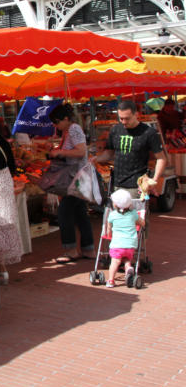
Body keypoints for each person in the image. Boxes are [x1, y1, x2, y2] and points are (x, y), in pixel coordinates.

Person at [48, 103, 95, 263]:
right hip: (77, 178)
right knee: (80, 213)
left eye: (56, 122)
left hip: (75, 178)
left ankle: (71, 250)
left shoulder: (74, 129)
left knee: (64, 213)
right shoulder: (68, 131)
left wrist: (60, 151)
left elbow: (81, 151)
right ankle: (88, 249)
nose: (55, 125)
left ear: (66, 119)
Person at [92, 100, 167, 198]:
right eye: (121, 119)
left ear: (136, 114)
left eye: (127, 119)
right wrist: (95, 159)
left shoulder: (149, 133)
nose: (123, 122)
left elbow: (161, 158)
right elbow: (109, 153)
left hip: (137, 186)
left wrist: (154, 180)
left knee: (133, 213)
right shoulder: (115, 130)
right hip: (116, 184)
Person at [0, 115, 23, 282]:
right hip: (5, 181)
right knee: (2, 224)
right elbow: (12, 166)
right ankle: (2, 267)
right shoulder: (2, 140)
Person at [105, 189, 145, 288]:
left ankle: (111, 280)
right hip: (130, 244)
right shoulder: (133, 214)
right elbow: (142, 223)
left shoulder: (112, 215)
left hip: (117, 244)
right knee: (127, 259)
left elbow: (109, 230)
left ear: (115, 205)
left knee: (115, 262)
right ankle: (128, 268)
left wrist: (109, 235)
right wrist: (135, 221)